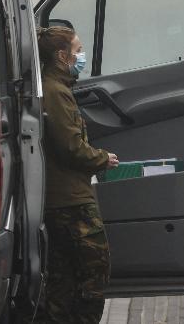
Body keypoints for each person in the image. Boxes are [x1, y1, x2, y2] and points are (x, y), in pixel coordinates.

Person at [35, 26, 120, 324]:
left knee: (62, 280)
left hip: (60, 199)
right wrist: (101, 159)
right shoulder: (56, 92)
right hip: (72, 202)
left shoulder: (55, 87)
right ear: (62, 56)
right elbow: (70, 146)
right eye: (78, 50)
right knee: (92, 275)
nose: (81, 56)